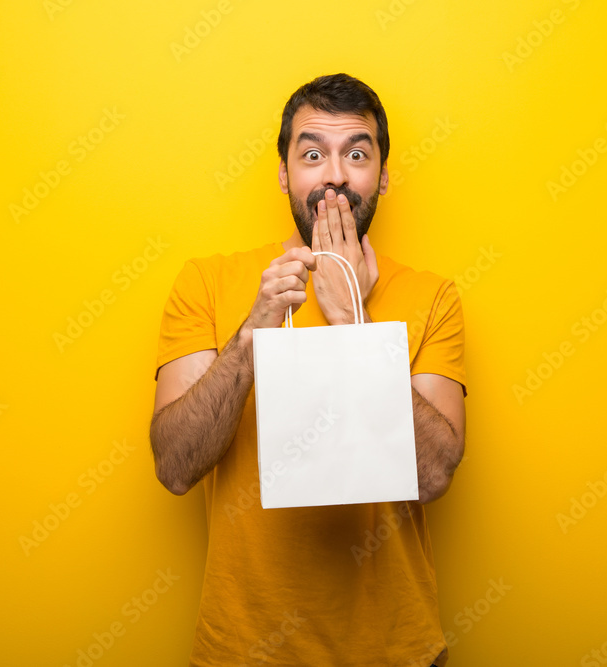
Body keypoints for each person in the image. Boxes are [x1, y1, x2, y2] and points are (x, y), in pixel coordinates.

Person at [150, 73, 467, 667]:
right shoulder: (207, 284)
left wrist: (353, 320)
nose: (335, 177)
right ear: (283, 173)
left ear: (383, 176)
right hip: (242, 652)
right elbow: (174, 465)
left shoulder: (434, 298)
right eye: (313, 153)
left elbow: (435, 475)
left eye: (357, 154)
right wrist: (252, 336)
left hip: (395, 651)